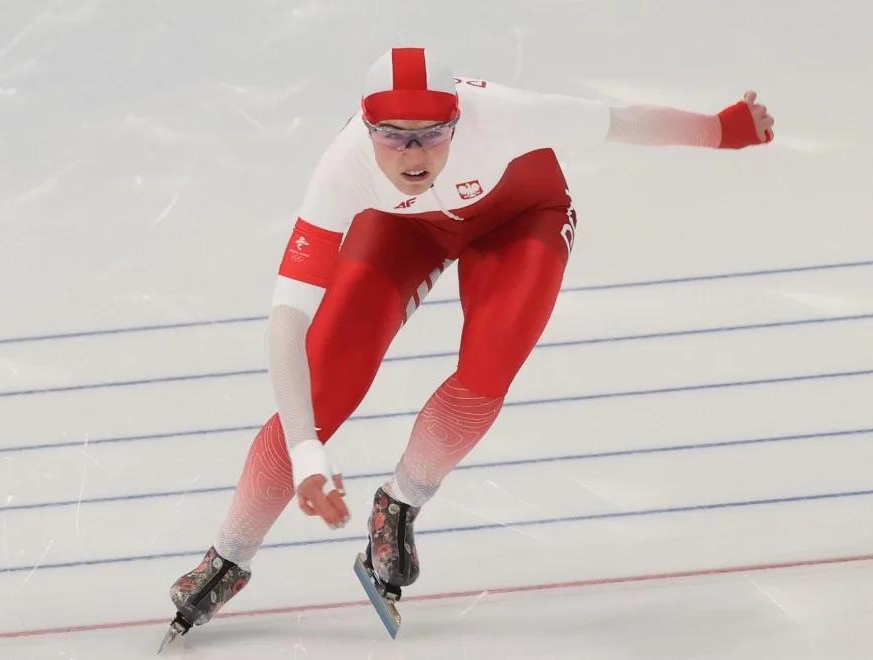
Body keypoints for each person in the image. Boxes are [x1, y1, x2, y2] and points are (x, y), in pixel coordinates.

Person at [162, 46, 774, 640]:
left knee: (486, 370)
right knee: (321, 387)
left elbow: (627, 123)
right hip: (400, 227)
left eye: (432, 133)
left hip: (520, 217)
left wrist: (725, 130)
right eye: (393, 136)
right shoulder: (342, 167)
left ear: (459, 118)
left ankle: (399, 503)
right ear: (365, 127)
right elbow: (286, 322)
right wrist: (304, 450)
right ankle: (228, 555)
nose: (412, 153)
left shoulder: (507, 114)